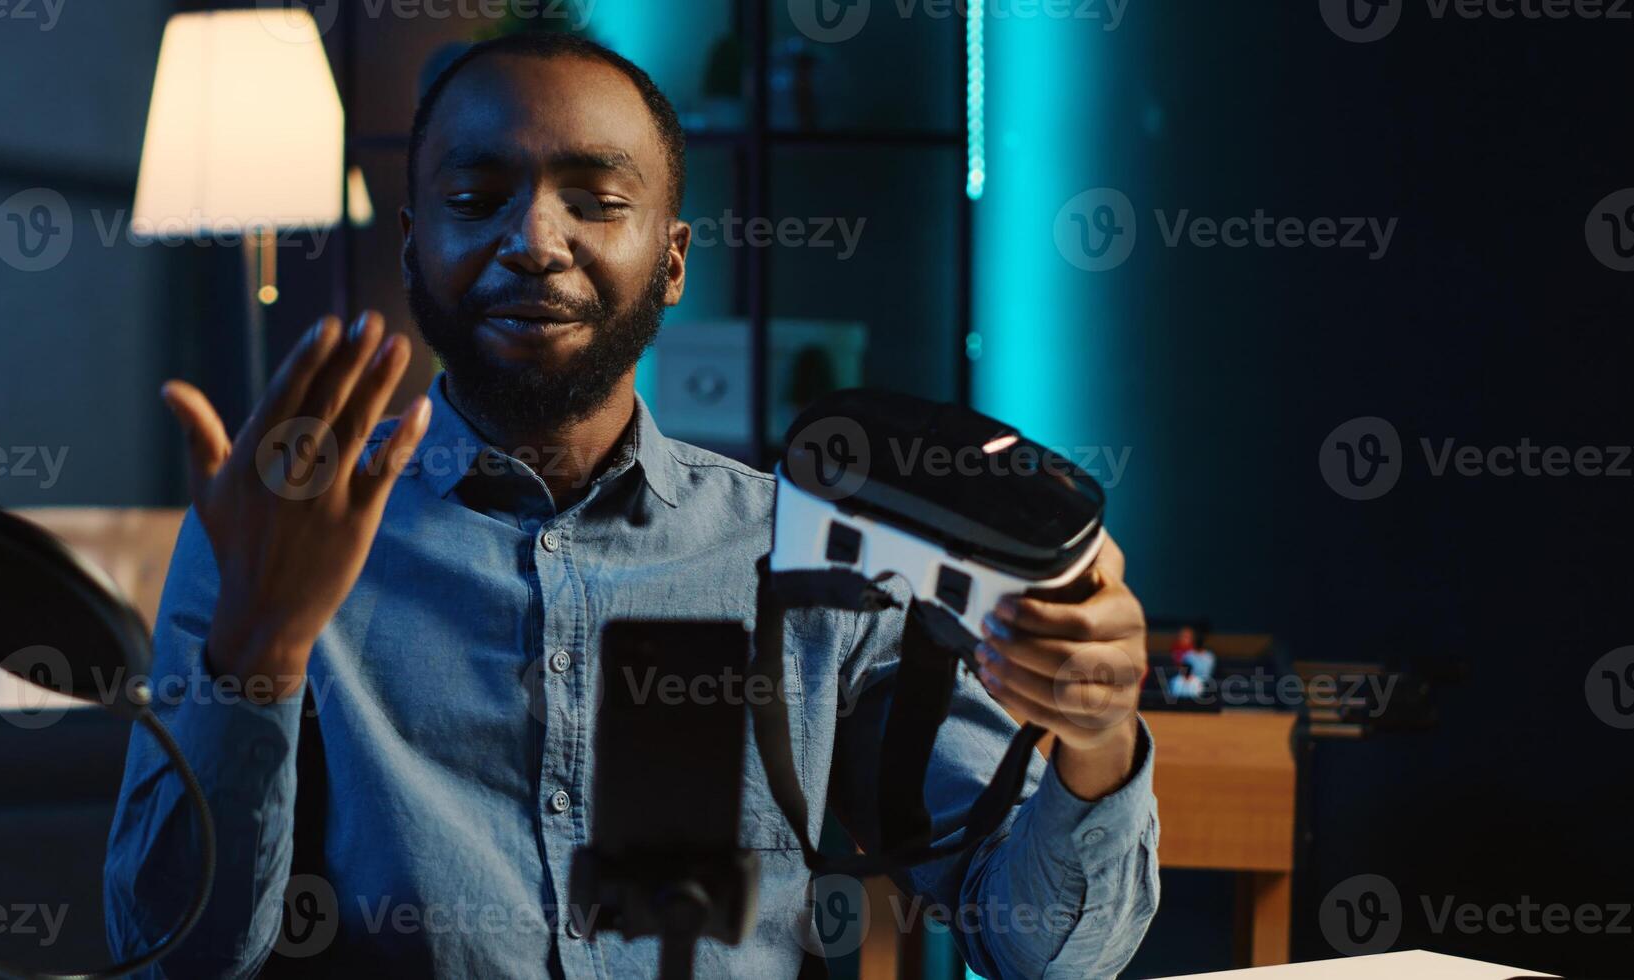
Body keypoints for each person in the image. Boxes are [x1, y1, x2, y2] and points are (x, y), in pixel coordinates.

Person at [103, 32, 1159, 978]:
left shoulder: (806, 554)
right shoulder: (279, 535)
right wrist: (263, 649)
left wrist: (1099, 737)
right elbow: (172, 956)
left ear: (673, 258)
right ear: (413, 243)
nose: (534, 239)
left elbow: (1047, 952)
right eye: (476, 199)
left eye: (598, 201)